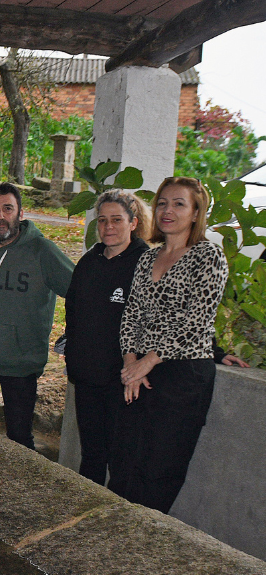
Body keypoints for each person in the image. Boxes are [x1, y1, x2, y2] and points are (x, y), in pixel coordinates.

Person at [110, 176, 228, 514]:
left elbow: (198, 322)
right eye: (162, 202)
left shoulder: (209, 256)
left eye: (179, 203)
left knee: (159, 470)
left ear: (195, 213)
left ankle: (144, 545)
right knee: (124, 461)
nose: (167, 210)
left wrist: (147, 362)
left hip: (183, 374)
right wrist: (131, 363)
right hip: (141, 372)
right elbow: (131, 314)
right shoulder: (148, 258)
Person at [0, 182, 74, 449]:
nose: (0, 216)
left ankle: (21, 490)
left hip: (21, 363)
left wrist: (77, 332)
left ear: (20, 213)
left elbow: (79, 290)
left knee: (19, 438)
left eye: (7, 209)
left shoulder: (43, 252)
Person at [64, 190, 151, 485]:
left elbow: (169, 316)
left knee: (121, 460)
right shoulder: (89, 262)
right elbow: (73, 312)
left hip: (124, 382)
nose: (108, 227)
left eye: (117, 220)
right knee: (92, 455)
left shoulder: (146, 263)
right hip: (87, 378)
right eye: (102, 220)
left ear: (133, 223)